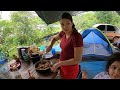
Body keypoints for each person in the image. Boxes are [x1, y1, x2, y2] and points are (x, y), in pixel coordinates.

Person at [45, 12, 83, 79]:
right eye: (62, 24)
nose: (65, 27)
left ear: (72, 22)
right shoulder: (63, 33)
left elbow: (77, 60)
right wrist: (50, 46)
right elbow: (54, 39)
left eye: (68, 23)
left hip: (71, 69)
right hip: (62, 65)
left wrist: (59, 63)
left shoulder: (77, 37)